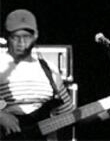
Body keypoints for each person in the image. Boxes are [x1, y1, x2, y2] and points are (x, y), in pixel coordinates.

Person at [0, 9, 74, 140]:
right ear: (6, 37)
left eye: (26, 36)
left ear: (36, 35)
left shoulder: (49, 70)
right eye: (15, 36)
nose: (21, 41)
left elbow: (70, 115)